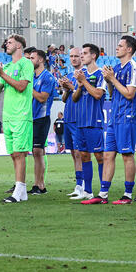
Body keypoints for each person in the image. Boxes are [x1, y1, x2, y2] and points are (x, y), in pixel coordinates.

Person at [85, 35, 136, 205]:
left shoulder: (133, 67)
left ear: (129, 49)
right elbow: (112, 93)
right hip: (114, 117)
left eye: (120, 45)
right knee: (108, 155)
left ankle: (127, 194)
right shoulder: (116, 68)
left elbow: (130, 94)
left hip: (127, 116)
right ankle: (103, 194)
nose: (117, 48)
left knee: (127, 154)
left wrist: (113, 79)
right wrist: (109, 80)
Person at [0, 34, 34, 203]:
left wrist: (2, 74)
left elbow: (21, 86)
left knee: (19, 153)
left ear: (18, 46)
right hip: (8, 115)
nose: (6, 44)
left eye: (10, 42)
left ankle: (19, 189)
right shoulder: (8, 66)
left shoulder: (26, 63)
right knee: (13, 154)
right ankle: (21, 190)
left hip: (21, 114)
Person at [70, 43, 107, 202]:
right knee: (84, 155)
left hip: (94, 120)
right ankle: (87, 191)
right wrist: (79, 86)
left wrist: (84, 81)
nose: (82, 56)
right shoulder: (81, 73)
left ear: (93, 55)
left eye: (84, 53)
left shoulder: (101, 74)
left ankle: (103, 191)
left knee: (99, 156)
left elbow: (98, 94)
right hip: (80, 122)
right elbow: (74, 98)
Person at [29, 49, 57, 195]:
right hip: (31, 117)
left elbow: (42, 98)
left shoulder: (47, 77)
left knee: (38, 151)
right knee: (36, 152)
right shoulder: (32, 76)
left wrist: (29, 88)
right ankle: (38, 184)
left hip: (42, 117)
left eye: (32, 58)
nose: (30, 61)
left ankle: (40, 185)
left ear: (40, 60)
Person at [59, 48, 85, 199]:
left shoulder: (84, 75)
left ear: (82, 57)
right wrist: (66, 89)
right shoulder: (69, 75)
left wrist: (72, 87)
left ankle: (82, 185)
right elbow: (64, 99)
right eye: (71, 56)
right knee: (73, 154)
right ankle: (78, 185)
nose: (73, 59)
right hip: (68, 118)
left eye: (76, 56)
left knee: (79, 152)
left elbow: (84, 95)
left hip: (79, 118)